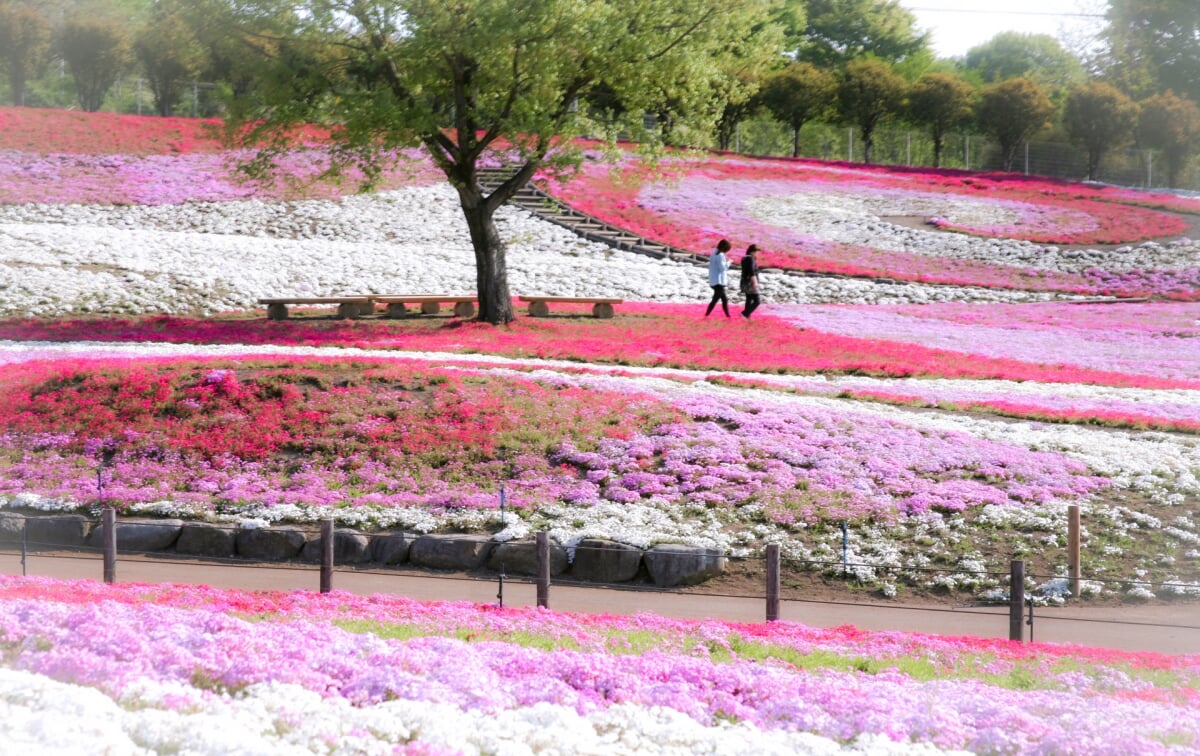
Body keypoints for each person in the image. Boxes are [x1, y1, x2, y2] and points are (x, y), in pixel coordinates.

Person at [704, 239, 732, 317]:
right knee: (718, 299)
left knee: (722, 299)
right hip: (718, 281)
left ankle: (727, 316)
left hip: (714, 280)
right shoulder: (720, 255)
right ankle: (707, 315)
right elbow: (723, 268)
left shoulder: (714, 253)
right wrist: (729, 262)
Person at [739, 244, 761, 319]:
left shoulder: (744, 258)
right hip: (750, 283)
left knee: (749, 299)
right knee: (757, 301)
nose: (758, 254)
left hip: (744, 282)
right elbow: (751, 271)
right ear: (752, 252)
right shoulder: (751, 258)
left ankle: (747, 317)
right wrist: (755, 282)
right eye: (757, 252)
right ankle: (744, 314)